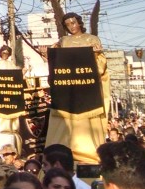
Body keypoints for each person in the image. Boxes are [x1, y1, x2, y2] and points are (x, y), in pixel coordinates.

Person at [46, 12, 110, 164]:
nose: (71, 27)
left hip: (88, 88)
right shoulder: (64, 41)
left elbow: (100, 64)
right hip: (68, 90)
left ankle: (88, 154)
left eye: (73, 23)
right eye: (67, 24)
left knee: (88, 127)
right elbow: (55, 58)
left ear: (79, 23)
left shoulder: (91, 39)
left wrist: (97, 53)